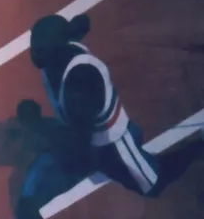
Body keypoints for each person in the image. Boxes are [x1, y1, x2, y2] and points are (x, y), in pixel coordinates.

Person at [30, 13, 204, 200]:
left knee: (153, 184)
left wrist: (78, 161)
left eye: (40, 50)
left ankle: (197, 148)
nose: (35, 55)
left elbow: (83, 132)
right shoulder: (60, 58)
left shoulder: (80, 78)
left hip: (112, 141)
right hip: (93, 135)